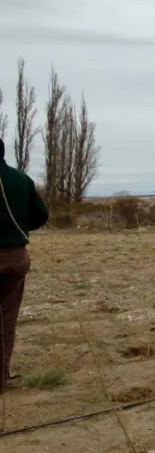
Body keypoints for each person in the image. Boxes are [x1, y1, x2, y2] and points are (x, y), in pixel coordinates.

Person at [0, 140, 49, 393]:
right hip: (14, 258)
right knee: (6, 320)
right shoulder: (21, 180)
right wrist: (18, 227)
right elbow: (41, 214)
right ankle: (1, 377)